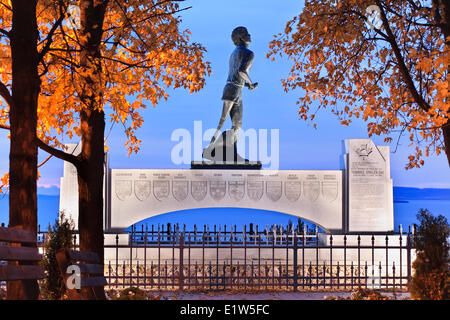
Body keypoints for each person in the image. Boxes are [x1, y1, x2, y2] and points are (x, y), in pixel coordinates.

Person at [203, 26, 258, 161]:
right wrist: (250, 83)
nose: (249, 35)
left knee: (235, 123)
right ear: (240, 38)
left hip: (233, 88)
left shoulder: (233, 53)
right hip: (234, 90)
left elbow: (235, 76)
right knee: (228, 123)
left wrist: (245, 85)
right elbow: (241, 71)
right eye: (246, 34)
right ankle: (213, 150)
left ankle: (229, 153)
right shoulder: (249, 53)